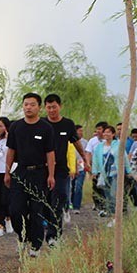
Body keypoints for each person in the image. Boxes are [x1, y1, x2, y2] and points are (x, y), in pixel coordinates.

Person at [5, 93, 55, 257]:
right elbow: (11, 151)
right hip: (20, 172)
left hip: (40, 173)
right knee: (15, 209)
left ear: (39, 107)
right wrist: (7, 172)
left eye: (32, 104)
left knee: (36, 210)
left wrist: (51, 175)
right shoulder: (16, 127)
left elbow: (50, 153)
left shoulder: (46, 127)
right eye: (26, 104)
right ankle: (22, 236)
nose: (28, 107)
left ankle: (36, 245)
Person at [43, 94, 86, 245]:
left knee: (58, 200)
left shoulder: (67, 124)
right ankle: (46, 226)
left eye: (54, 107)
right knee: (45, 201)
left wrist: (84, 158)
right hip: (43, 169)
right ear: (44, 108)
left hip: (61, 169)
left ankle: (54, 235)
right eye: (48, 107)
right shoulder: (41, 123)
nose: (51, 110)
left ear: (60, 106)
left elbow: (76, 143)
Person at [91, 125, 123, 223]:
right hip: (104, 174)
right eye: (105, 132)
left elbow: (124, 157)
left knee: (114, 194)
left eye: (109, 132)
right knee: (107, 195)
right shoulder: (100, 146)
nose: (106, 134)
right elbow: (96, 159)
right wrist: (94, 172)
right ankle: (111, 216)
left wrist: (128, 171)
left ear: (113, 134)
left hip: (115, 174)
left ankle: (115, 217)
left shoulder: (118, 145)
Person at [86, 121, 108, 212]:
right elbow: (88, 152)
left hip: (107, 169)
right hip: (96, 169)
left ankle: (105, 206)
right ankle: (98, 205)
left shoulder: (110, 140)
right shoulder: (92, 140)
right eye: (97, 129)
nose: (97, 131)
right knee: (96, 187)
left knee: (106, 188)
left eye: (99, 129)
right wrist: (88, 163)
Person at [70, 124, 86, 212]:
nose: (81, 133)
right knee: (71, 187)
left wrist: (87, 164)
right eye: (80, 131)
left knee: (78, 187)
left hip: (81, 168)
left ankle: (77, 207)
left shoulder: (85, 142)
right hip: (71, 168)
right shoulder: (69, 142)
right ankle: (70, 203)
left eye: (82, 131)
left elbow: (86, 154)